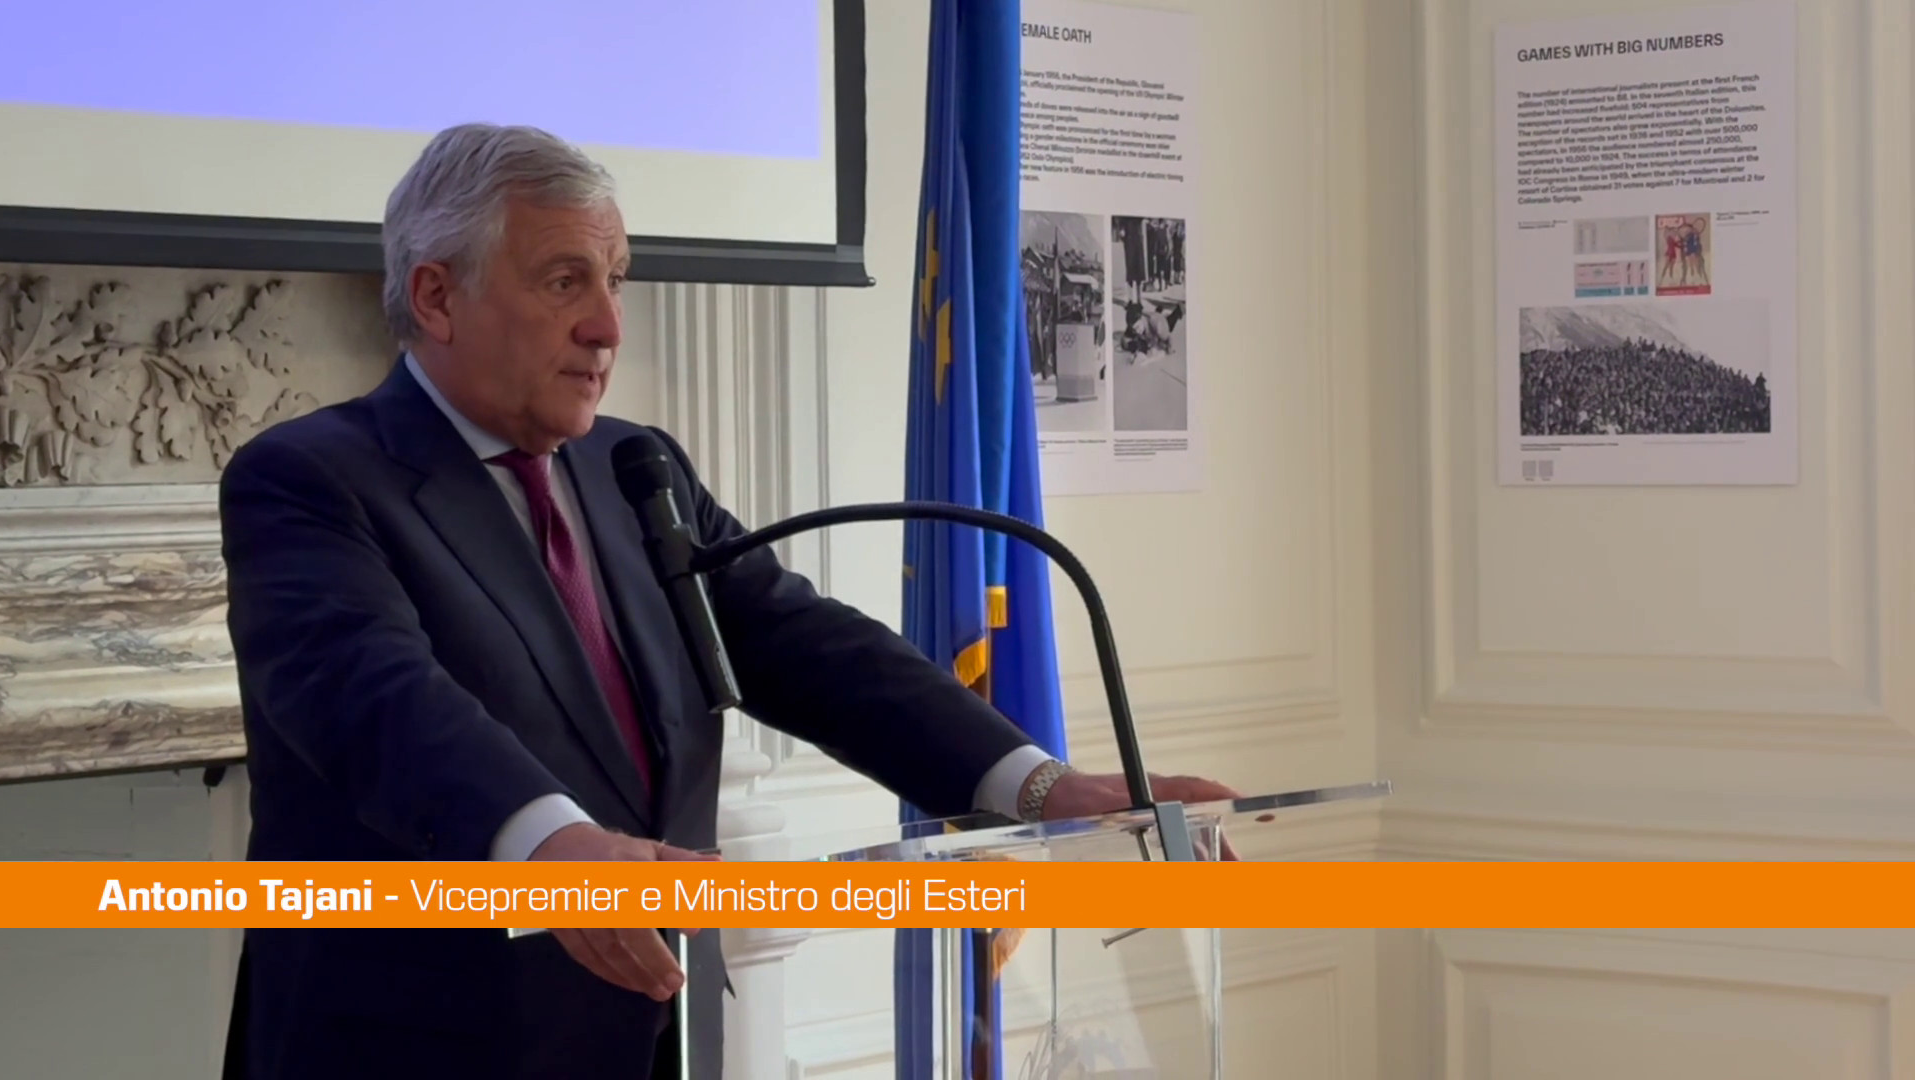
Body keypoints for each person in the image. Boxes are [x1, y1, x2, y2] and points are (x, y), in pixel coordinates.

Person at [215, 122, 1239, 1080]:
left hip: (649, 1030)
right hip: (415, 1044)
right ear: (437, 297)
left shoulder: (633, 465)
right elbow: (375, 699)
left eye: (616, 279)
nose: (607, 325)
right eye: (565, 281)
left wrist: (1042, 786)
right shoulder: (309, 479)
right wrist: (554, 850)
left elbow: (801, 644)